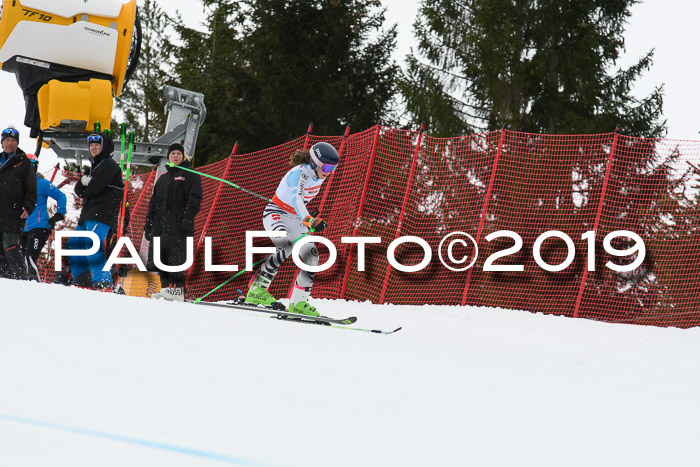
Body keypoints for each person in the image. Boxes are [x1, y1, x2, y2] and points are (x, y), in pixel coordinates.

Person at [244, 141, 339, 316]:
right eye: (326, 168)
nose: (329, 173)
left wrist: (306, 217)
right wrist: (309, 219)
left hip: (295, 220)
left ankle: (299, 302)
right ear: (315, 163)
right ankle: (257, 290)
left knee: (312, 255)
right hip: (275, 214)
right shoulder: (299, 174)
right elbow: (297, 200)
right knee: (286, 246)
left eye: (332, 169)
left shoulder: (317, 176)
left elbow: (300, 203)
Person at [66, 133, 123, 289]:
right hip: (87, 214)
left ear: (104, 146)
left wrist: (85, 187)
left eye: (97, 145)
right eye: (91, 145)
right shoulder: (93, 166)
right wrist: (83, 184)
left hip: (101, 213)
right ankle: (82, 280)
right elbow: (78, 190)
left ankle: (103, 281)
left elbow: (92, 189)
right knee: (73, 246)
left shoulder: (109, 165)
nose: (93, 148)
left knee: (92, 246)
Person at [146, 143, 202, 302]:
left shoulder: (190, 174)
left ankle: (177, 290)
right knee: (160, 258)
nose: (175, 156)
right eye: (173, 154)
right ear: (169, 157)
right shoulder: (163, 179)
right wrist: (148, 225)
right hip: (161, 226)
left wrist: (188, 217)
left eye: (178, 153)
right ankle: (165, 288)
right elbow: (153, 204)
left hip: (178, 225)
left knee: (175, 258)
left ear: (182, 156)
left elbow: (195, 198)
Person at [0, 126, 37, 280]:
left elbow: (31, 188)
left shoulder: (23, 162)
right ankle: (5, 279)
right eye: (7, 140)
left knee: (10, 245)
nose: (10, 143)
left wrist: (28, 207)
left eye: (13, 140)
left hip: (13, 212)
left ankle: (20, 278)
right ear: (2, 142)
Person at [22, 154, 67, 281]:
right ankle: (23, 283)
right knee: (21, 258)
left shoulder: (41, 184)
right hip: (23, 229)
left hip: (39, 226)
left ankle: (35, 282)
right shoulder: (19, 186)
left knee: (30, 256)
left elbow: (61, 196)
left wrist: (59, 214)